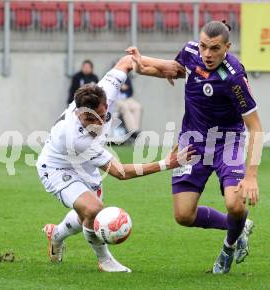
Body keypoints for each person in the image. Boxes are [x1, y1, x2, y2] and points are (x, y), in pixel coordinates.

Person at [126, 20, 263, 274]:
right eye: (203, 47)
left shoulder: (234, 77)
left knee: (235, 204)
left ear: (227, 47)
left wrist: (251, 176)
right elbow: (174, 69)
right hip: (193, 141)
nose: (207, 54)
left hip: (228, 141)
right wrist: (141, 63)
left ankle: (228, 247)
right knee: (184, 215)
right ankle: (239, 226)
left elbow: (256, 127)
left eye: (214, 48)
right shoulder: (191, 53)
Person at [37, 55, 193, 272]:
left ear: (106, 103)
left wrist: (161, 66)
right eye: (89, 119)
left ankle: (56, 234)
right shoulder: (76, 138)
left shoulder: (107, 89)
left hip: (87, 167)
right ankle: (105, 261)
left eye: (101, 115)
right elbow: (121, 173)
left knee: (86, 214)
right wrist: (168, 163)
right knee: (93, 209)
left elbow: (127, 61)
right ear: (78, 113)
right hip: (57, 168)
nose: (98, 124)